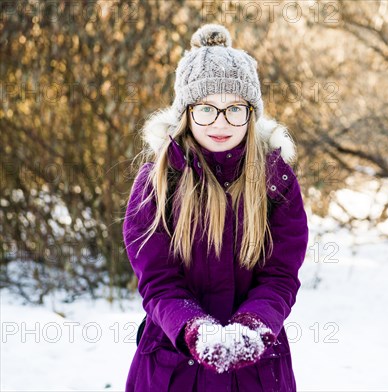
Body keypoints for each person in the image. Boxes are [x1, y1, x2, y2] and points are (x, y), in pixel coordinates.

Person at [123, 24, 309, 392]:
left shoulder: (276, 182)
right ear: (187, 112)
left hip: (256, 370)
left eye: (234, 109)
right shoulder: (158, 182)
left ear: (250, 112)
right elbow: (158, 280)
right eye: (206, 108)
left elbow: (281, 275)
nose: (220, 122)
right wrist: (193, 328)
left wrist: (253, 325)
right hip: (171, 368)